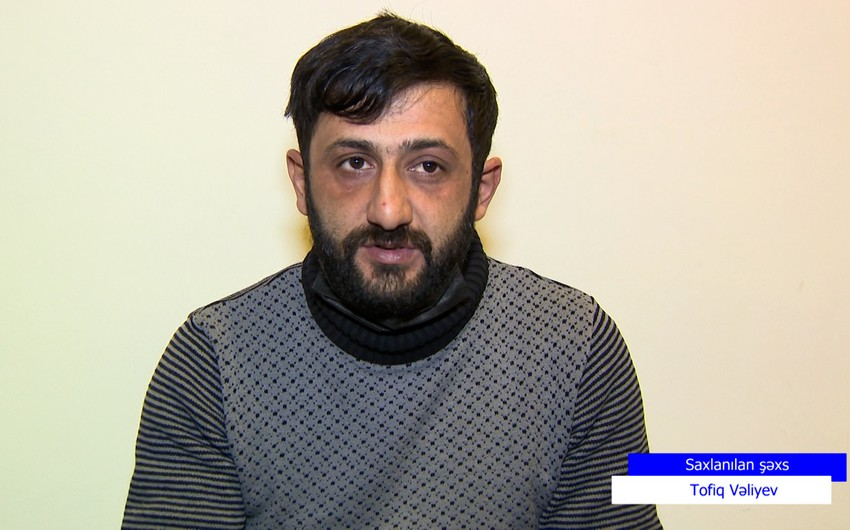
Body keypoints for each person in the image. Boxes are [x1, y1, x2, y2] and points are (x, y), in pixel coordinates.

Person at [123, 13, 661, 529]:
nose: (388, 210)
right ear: (302, 182)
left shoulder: (577, 347)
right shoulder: (214, 360)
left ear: (482, 189)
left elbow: (650, 500)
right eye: (354, 163)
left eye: (428, 166)